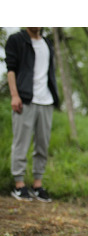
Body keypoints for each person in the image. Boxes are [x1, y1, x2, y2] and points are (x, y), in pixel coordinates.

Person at [5, 27, 59, 202]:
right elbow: (11, 69)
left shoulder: (47, 43)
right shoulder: (16, 40)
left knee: (42, 144)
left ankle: (37, 184)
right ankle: (19, 185)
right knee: (21, 142)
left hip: (46, 101)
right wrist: (14, 95)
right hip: (25, 99)